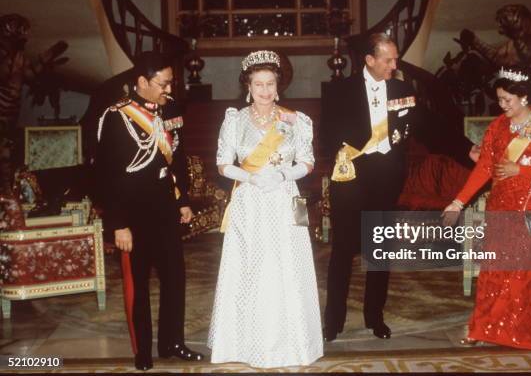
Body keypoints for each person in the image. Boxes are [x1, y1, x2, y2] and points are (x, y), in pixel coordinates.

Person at [320, 33, 474, 342]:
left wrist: (466, 149)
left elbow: (431, 126)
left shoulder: (403, 89)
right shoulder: (339, 91)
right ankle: (332, 322)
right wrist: (340, 151)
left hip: (386, 179)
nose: (394, 65)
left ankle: (374, 318)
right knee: (343, 250)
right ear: (370, 60)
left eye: (395, 59)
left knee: (379, 250)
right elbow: (326, 134)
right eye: (388, 60)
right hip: (350, 178)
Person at [207, 50, 323, 368]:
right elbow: (222, 164)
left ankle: (294, 342)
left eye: (270, 84)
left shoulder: (295, 120)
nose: (265, 91)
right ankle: (244, 343)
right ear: (248, 85)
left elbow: (307, 162)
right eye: (259, 84)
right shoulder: (235, 119)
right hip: (250, 200)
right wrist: (251, 177)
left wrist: (284, 174)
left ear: (278, 85)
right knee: (250, 266)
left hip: (286, 198)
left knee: (288, 264)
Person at [442, 65, 531, 350]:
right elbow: (485, 167)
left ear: (523, 97)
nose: (502, 105)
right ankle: (483, 329)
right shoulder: (498, 127)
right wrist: (458, 201)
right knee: (495, 272)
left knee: (530, 273)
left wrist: (520, 171)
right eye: (499, 99)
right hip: (502, 209)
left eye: (507, 100)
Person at [95, 51, 203, 370]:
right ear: (142, 81)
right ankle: (143, 350)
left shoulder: (169, 109)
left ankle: (173, 343)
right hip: (133, 215)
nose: (168, 89)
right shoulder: (116, 116)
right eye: (163, 82)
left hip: (165, 209)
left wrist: (182, 200)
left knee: (175, 279)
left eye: (171, 82)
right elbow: (106, 176)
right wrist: (118, 224)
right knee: (138, 284)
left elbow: (177, 159)